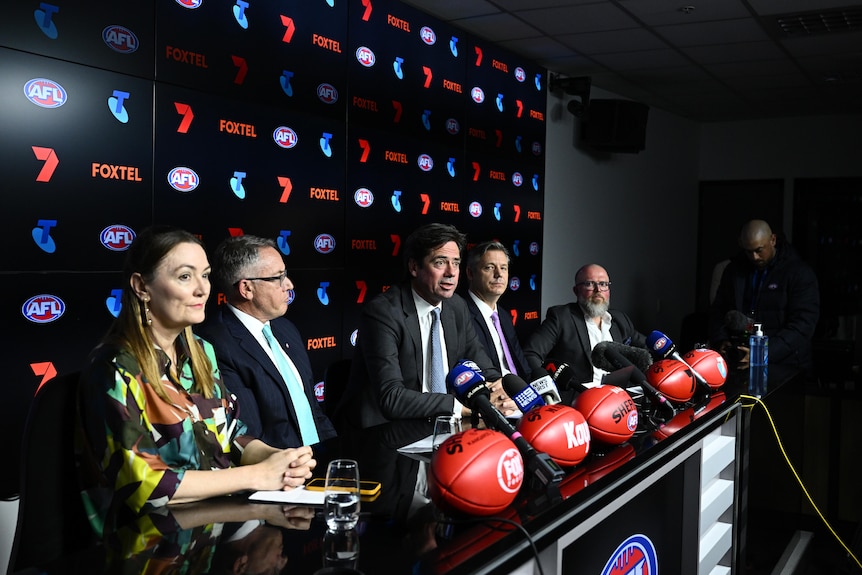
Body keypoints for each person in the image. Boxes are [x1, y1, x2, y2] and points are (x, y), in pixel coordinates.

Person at [76, 226, 316, 537]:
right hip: (146, 546)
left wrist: (277, 458)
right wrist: (257, 476)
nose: (202, 289)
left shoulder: (202, 352)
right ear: (141, 287)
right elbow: (145, 484)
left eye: (205, 275)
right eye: (185, 277)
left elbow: (232, 433)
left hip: (210, 534)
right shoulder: (114, 365)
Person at [337, 223, 513, 430]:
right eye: (440, 263)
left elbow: (485, 367)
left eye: (455, 263)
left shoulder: (456, 306)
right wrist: (461, 408)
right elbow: (391, 398)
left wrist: (500, 388)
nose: (451, 273)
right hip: (385, 432)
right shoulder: (383, 313)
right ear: (414, 267)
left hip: (445, 426)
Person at [197, 235, 335, 449]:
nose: (289, 284)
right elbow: (251, 434)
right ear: (246, 289)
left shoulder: (285, 328)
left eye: (285, 275)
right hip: (278, 471)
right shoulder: (216, 345)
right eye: (278, 277)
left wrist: (333, 453)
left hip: (318, 462)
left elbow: (314, 413)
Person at [708, 219, 820, 370]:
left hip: (786, 365)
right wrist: (721, 340)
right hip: (741, 360)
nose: (754, 257)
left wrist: (764, 353)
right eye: (749, 251)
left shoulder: (799, 273)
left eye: (759, 250)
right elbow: (719, 310)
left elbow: (802, 325)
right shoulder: (734, 270)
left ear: (772, 240)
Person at [523, 263, 647, 394]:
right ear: (576, 290)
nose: (598, 290)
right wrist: (547, 389)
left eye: (603, 284)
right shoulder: (561, 318)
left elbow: (647, 349)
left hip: (618, 396)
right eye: (589, 284)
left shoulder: (620, 319)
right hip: (580, 398)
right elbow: (531, 354)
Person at [464, 240, 531, 380]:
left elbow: (522, 366)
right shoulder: (461, 314)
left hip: (519, 392)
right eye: (489, 267)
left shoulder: (504, 316)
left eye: (504, 268)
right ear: (470, 273)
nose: (499, 274)